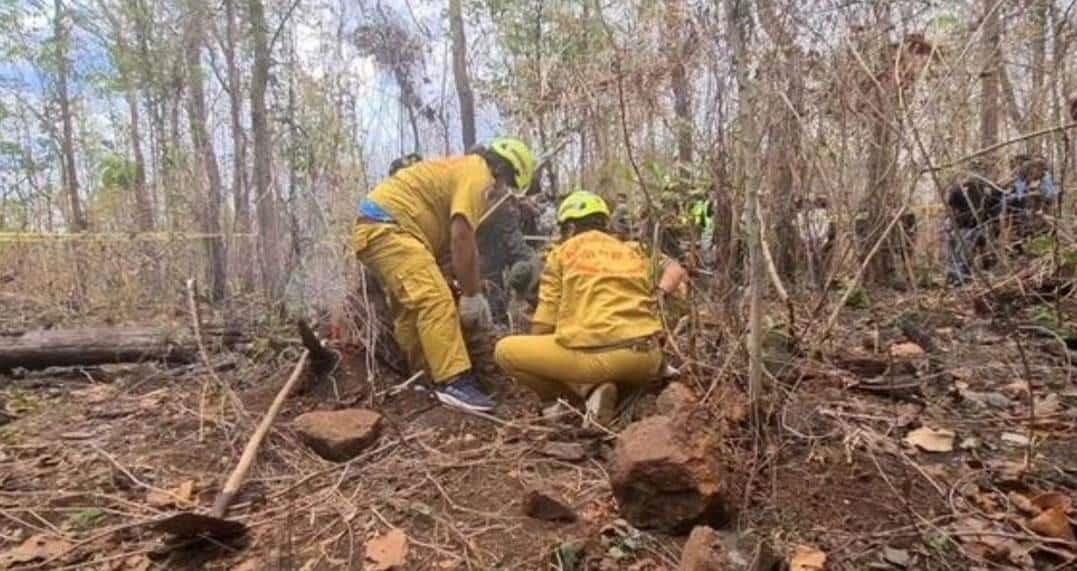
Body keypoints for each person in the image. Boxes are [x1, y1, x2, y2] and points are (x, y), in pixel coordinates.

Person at [353, 137, 536, 412]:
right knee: (434, 298)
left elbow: (452, 243)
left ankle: (421, 376)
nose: (501, 191)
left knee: (411, 308)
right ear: (503, 172)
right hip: (389, 227)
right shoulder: (479, 174)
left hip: (384, 227)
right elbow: (462, 237)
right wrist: (472, 296)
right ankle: (454, 381)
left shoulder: (464, 168)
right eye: (505, 185)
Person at [494, 191, 687, 424]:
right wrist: (660, 293)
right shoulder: (632, 249)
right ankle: (606, 390)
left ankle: (567, 400)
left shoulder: (562, 253)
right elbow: (676, 269)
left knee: (505, 351)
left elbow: (542, 329)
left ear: (571, 228)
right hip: (648, 358)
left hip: (600, 361)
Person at [943, 174, 1004, 285]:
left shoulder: (964, 188)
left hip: (970, 226)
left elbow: (950, 204)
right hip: (972, 225)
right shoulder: (962, 189)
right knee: (962, 253)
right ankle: (959, 277)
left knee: (962, 254)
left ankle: (961, 278)